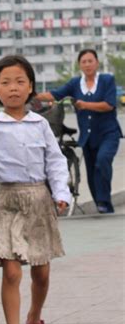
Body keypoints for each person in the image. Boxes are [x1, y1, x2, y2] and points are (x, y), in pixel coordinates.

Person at [0, 55, 71, 324]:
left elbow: (55, 161)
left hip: (39, 200)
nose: (13, 88)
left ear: (30, 88)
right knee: (11, 271)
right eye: (5, 83)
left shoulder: (40, 124)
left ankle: (34, 317)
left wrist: (61, 193)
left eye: (20, 82)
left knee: (41, 273)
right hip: (8, 202)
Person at [35, 49, 122, 214]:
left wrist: (85, 105)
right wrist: (33, 95)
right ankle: (103, 207)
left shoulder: (106, 80)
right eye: (84, 61)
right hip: (88, 138)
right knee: (91, 174)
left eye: (91, 61)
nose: (88, 64)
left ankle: (104, 201)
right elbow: (55, 95)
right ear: (79, 65)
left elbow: (109, 104)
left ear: (96, 63)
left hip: (108, 134)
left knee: (102, 161)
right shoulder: (75, 84)